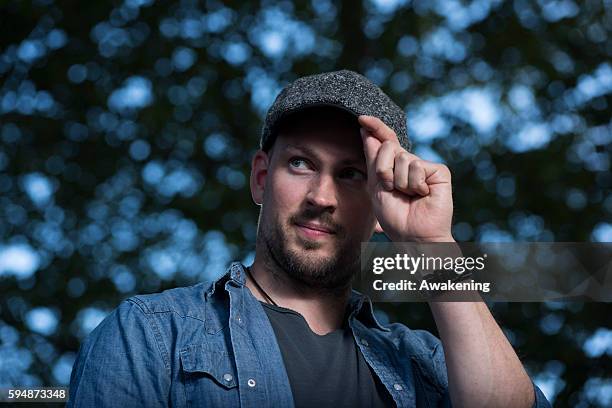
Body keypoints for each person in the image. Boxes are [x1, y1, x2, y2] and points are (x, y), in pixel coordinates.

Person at [67, 70, 551, 407]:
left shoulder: (423, 362)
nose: (322, 196)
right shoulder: (153, 336)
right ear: (261, 178)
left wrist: (434, 244)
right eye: (301, 163)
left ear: (383, 207)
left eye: (352, 174)